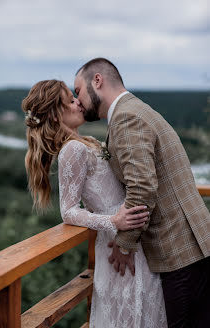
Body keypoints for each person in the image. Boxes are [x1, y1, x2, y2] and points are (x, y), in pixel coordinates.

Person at [74, 57, 210, 328]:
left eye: (77, 91)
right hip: (192, 245)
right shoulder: (136, 109)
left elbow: (142, 187)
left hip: (178, 249)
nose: (77, 100)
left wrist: (125, 245)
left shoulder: (126, 117)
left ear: (97, 81)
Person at [22, 79, 167, 328]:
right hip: (115, 239)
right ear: (56, 115)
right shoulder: (72, 150)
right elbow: (68, 211)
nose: (78, 102)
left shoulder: (86, 141)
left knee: (144, 308)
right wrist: (113, 220)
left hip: (129, 236)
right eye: (70, 100)